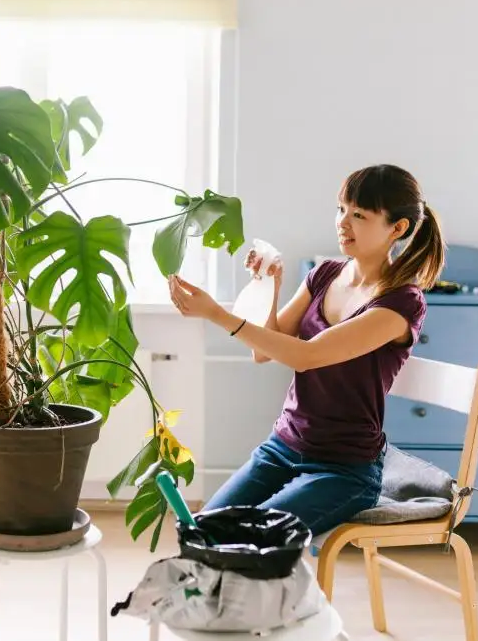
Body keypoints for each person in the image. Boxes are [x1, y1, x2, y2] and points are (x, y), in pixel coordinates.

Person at [168, 164, 446, 536]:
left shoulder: (402, 302)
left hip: (343, 469)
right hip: (281, 448)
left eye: (359, 214)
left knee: (244, 539)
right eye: (340, 209)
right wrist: (269, 285)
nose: (342, 222)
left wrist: (216, 315)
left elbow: (306, 355)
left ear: (397, 228)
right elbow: (265, 350)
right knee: (200, 531)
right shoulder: (325, 273)